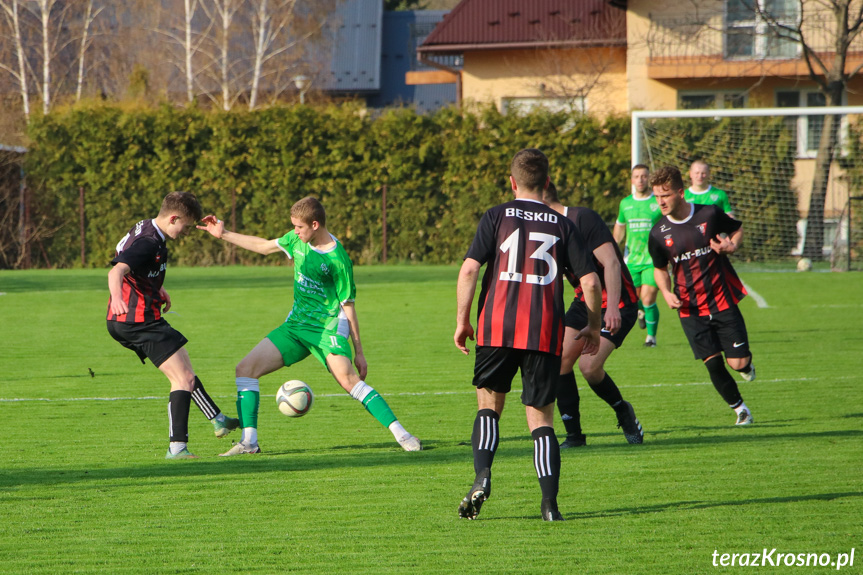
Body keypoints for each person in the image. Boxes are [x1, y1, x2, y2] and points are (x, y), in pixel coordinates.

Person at [198, 196, 421, 456]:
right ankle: (249, 443)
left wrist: (359, 351)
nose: (294, 231)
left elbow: (348, 305)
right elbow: (264, 246)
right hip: (296, 325)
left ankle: (402, 434)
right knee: (245, 369)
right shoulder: (296, 240)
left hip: (327, 328)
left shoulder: (338, 260)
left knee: (350, 381)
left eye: (299, 227)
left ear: (315, 224)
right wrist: (223, 234)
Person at [454, 148, 602, 522]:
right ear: (548, 183)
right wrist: (594, 326)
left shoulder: (497, 215)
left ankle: (482, 475)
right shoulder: (563, 225)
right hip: (544, 333)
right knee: (541, 420)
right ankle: (550, 505)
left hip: (496, 328)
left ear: (512, 181)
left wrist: (463, 320)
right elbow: (590, 281)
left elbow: (470, 269)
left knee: (489, 406)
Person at [107, 192, 240, 459]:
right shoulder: (148, 241)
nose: (185, 232)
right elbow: (117, 270)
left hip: (135, 318)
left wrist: (159, 288)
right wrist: (119, 298)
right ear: (173, 217)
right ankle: (177, 447)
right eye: (185, 226)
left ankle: (217, 419)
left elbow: (135, 264)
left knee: (185, 370)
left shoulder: (147, 227)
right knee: (182, 378)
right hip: (136, 319)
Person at [647, 166, 756, 426]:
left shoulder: (709, 213)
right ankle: (740, 409)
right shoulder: (658, 233)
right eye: (656, 197)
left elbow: (736, 229)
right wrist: (665, 291)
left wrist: (731, 245)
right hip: (689, 307)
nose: (660, 202)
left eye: (665, 195)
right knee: (712, 363)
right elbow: (660, 269)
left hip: (721, 299)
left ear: (681, 193)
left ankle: (745, 367)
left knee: (738, 362)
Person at [542, 182, 644, 448]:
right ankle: (574, 436)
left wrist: (611, 308)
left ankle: (622, 409)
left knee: (589, 367)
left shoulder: (581, 218)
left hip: (618, 302)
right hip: (583, 302)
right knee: (560, 362)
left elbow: (611, 261)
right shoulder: (545, 229)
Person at [614, 164, 662, 347]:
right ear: (632, 180)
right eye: (637, 176)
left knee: (648, 299)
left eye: (644, 176)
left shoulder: (657, 202)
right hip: (631, 260)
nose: (640, 180)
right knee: (632, 300)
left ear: (648, 179)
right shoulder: (625, 203)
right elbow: (619, 228)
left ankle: (651, 338)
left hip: (653, 259)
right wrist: (611, 247)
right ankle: (640, 311)